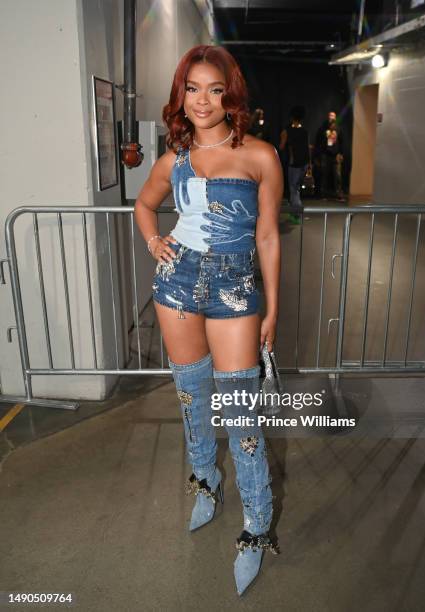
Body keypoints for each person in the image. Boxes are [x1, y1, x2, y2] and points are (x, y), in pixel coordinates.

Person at [134, 45, 283, 596]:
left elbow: (267, 235)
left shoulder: (261, 155)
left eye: (214, 89)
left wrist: (272, 306)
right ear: (181, 96)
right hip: (177, 284)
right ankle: (206, 481)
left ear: (230, 95)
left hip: (235, 288)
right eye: (192, 89)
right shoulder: (172, 161)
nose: (202, 100)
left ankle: (257, 524)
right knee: (191, 397)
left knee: (241, 414)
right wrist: (154, 241)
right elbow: (145, 205)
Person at [279, 106, 310, 224]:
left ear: (292, 117)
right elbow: (308, 148)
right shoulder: (305, 131)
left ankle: (297, 214)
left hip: (294, 164)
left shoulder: (287, 131)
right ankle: (295, 213)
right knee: (297, 189)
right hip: (304, 163)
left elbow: (281, 146)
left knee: (294, 189)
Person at [315, 111, 345, 201]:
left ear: (335, 118)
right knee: (324, 175)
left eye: (333, 116)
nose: (332, 117)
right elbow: (318, 142)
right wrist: (318, 155)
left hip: (335, 155)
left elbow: (342, 142)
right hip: (325, 155)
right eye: (330, 116)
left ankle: (339, 194)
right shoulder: (322, 129)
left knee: (338, 176)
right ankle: (322, 194)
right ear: (328, 118)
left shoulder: (339, 129)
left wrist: (341, 153)